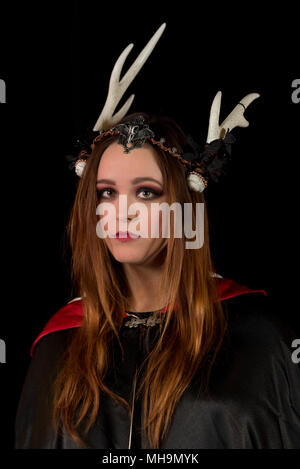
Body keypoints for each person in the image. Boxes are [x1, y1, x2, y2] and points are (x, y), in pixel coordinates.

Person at [15, 24, 300, 450]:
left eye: (146, 192)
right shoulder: (61, 341)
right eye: (106, 192)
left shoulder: (257, 335)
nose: (122, 210)